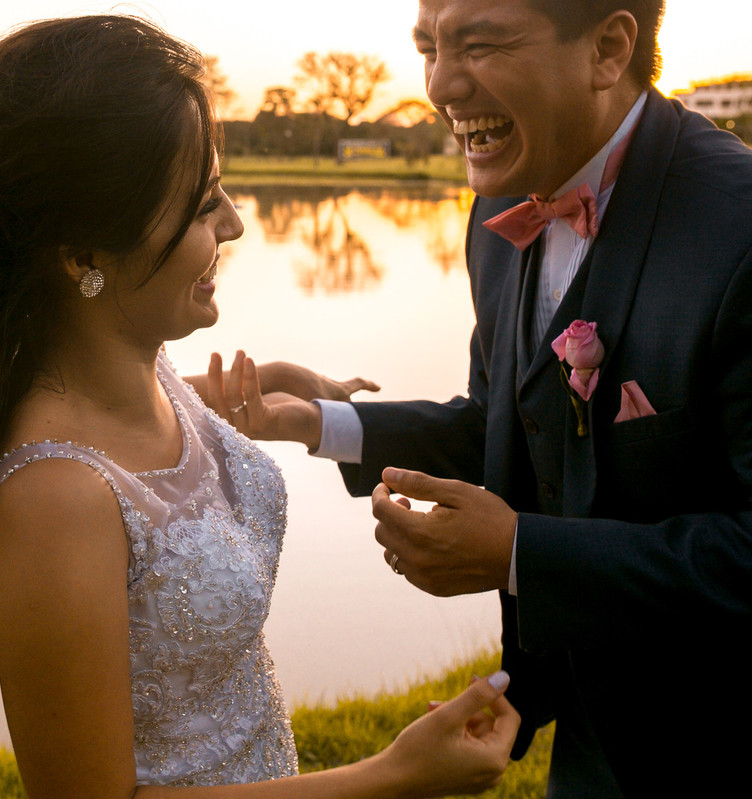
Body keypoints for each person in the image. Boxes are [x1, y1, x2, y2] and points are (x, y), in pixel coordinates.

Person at [0, 14, 521, 797]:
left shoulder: (141, 373)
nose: (236, 225)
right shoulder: (51, 499)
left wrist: (278, 389)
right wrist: (396, 773)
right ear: (83, 253)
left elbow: (168, 441)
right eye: (202, 203)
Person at [216, 0, 752, 795]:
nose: (438, 83)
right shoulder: (496, 210)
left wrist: (516, 554)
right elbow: (505, 424)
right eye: (428, 47)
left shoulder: (740, 226)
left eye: (479, 44)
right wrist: (318, 422)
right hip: (593, 751)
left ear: (607, 48)